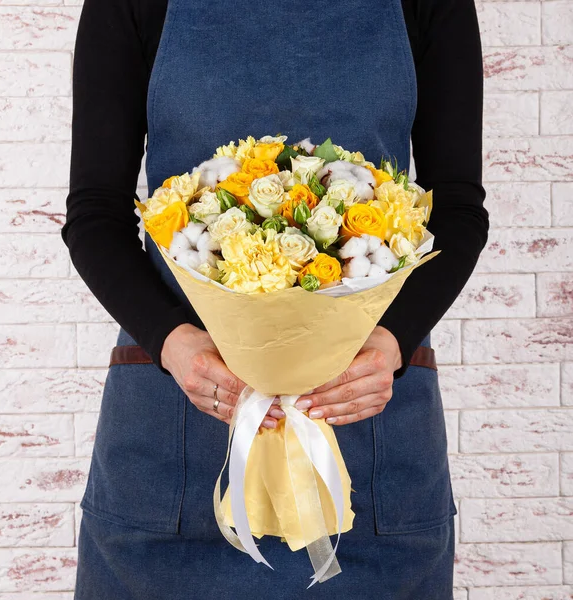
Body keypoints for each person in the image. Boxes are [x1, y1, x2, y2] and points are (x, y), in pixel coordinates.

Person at [62, 0, 489, 597]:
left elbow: (459, 211)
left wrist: (392, 343)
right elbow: (95, 214)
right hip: (178, 426)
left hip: (363, 419)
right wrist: (175, 344)